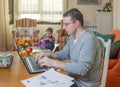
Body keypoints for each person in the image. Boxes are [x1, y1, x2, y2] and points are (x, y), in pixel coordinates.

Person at [36, 8, 102, 87]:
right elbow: (64, 53)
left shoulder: (89, 39)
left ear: (77, 23)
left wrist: (53, 63)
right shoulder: (72, 36)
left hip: (84, 84)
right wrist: (48, 54)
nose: (63, 27)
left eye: (66, 24)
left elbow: (82, 69)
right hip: (72, 78)